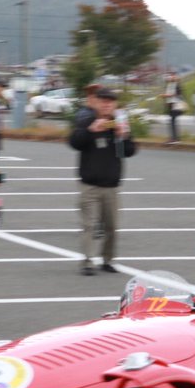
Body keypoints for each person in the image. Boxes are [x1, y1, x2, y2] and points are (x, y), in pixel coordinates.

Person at [69, 88, 136, 275]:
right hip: (89, 185)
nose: (107, 104)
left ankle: (107, 260)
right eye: (103, 101)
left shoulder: (119, 124)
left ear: (115, 104)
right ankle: (87, 261)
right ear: (96, 102)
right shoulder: (87, 120)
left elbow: (128, 152)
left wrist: (123, 136)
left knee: (112, 227)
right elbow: (74, 142)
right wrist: (91, 131)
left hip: (111, 186)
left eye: (110, 101)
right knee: (89, 225)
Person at [163, 72, 184, 142]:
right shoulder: (170, 85)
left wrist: (166, 95)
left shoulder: (176, 85)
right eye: (170, 76)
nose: (169, 78)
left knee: (172, 121)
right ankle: (175, 137)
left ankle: (174, 138)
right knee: (173, 121)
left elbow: (175, 94)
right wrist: (166, 99)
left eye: (172, 76)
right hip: (171, 104)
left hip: (174, 104)